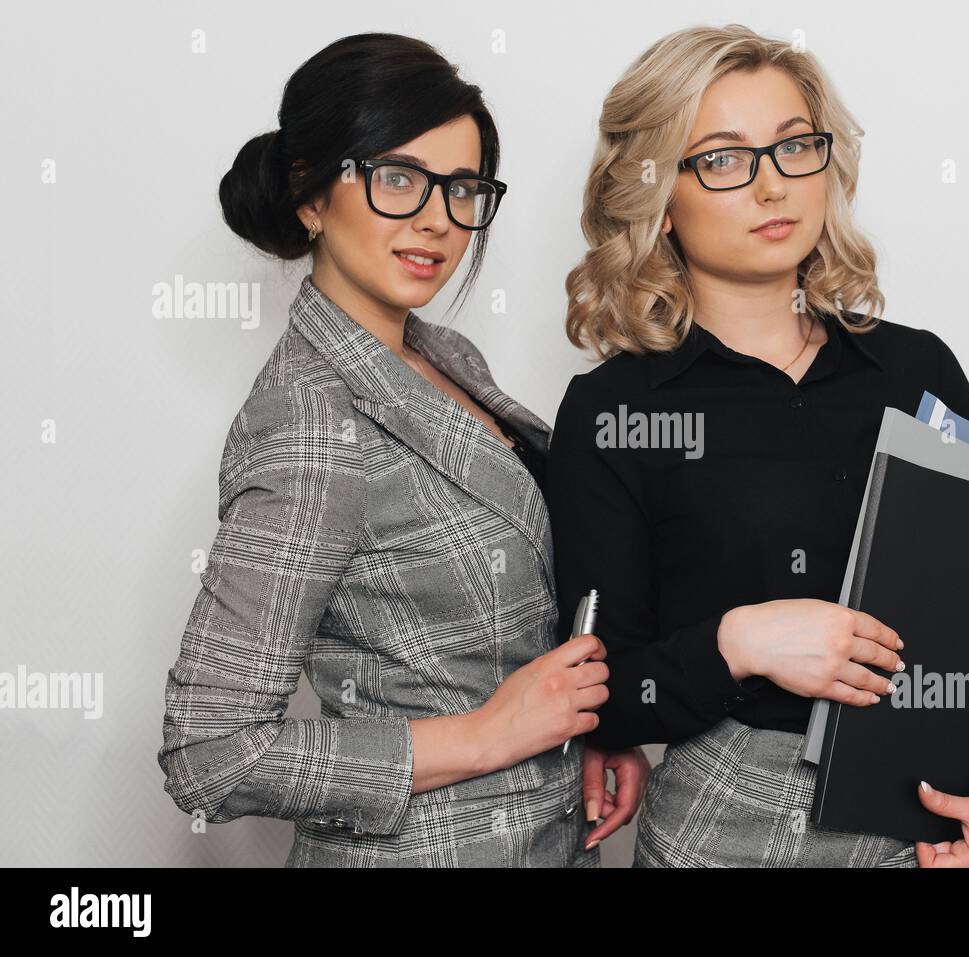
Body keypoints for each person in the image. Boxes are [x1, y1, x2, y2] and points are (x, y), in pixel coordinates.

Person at [547, 24, 969, 868]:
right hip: (734, 830)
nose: (771, 186)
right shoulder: (612, 410)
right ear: (656, 196)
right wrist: (738, 641)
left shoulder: (915, 368)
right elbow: (605, 696)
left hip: (944, 824)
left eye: (794, 148)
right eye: (722, 158)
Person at [158, 32, 647, 867]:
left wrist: (586, 727)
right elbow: (209, 750)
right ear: (312, 193)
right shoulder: (309, 420)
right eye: (397, 178)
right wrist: (487, 735)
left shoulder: (445, 357)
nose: (437, 218)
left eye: (462, 188)